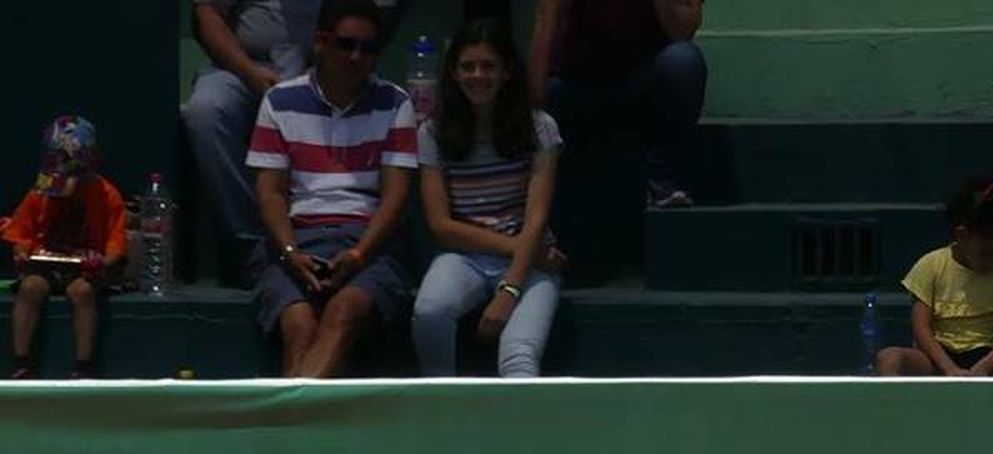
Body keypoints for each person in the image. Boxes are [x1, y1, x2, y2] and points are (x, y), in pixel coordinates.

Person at [247, 0, 418, 378]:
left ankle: (289, 428)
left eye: (369, 48)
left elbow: (395, 197)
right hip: (296, 237)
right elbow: (271, 194)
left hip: (369, 242)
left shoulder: (396, 102)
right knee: (299, 325)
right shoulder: (279, 100)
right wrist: (291, 252)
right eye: (346, 44)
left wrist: (358, 255)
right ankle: (298, 429)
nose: (357, 56)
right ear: (321, 42)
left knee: (344, 313)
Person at [413, 21, 565, 377]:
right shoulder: (432, 133)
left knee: (518, 356)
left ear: (507, 71)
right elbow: (440, 226)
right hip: (468, 255)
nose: (477, 76)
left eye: (488, 66)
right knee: (430, 313)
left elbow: (537, 218)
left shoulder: (540, 127)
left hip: (529, 261)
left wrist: (510, 289)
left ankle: (519, 432)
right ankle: (441, 410)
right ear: (453, 72)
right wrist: (519, 248)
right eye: (467, 67)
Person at [183, 2, 320, 283]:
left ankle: (322, 242)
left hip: (322, 67)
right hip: (243, 65)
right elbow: (208, 16)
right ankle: (254, 246)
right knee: (206, 110)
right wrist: (249, 72)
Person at [527, 0, 706, 210]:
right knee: (550, 91)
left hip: (643, 86)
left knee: (684, 61)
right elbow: (545, 19)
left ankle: (663, 181)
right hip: (578, 85)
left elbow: (684, 33)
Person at [875, 174, 993, 378]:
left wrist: (983, 369)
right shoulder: (931, 265)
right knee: (889, 358)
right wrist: (948, 368)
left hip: (991, 358)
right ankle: (894, 410)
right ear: (961, 236)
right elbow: (921, 328)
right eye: (985, 254)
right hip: (937, 357)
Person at [4, 116, 128, 380]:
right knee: (29, 287)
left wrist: (102, 263)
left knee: (82, 292)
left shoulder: (106, 194)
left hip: (85, 268)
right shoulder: (41, 190)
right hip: (45, 262)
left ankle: (83, 366)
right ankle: (22, 363)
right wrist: (21, 252)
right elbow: (20, 231)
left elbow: (116, 245)